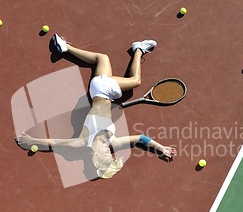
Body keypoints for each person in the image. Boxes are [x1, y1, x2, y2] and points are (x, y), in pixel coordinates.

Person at [16, 34, 177, 179]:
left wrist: (31, 140)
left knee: (136, 81)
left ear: (95, 156)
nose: (110, 152)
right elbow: (140, 138)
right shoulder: (112, 142)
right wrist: (161, 149)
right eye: (111, 155)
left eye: (106, 155)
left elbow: (55, 143)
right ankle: (65, 48)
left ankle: (138, 50)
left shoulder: (83, 142)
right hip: (100, 92)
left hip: (102, 90)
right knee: (102, 59)